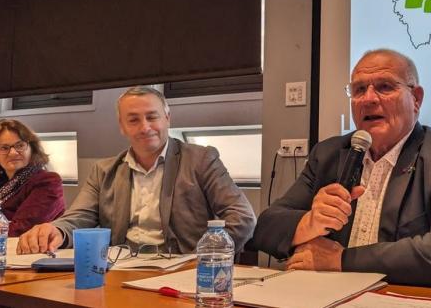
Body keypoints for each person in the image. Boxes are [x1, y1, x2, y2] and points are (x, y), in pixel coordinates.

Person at [251, 49, 431, 288]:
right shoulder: (328, 154)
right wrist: (309, 223)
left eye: (385, 87)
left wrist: (339, 260)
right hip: (333, 297)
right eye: (359, 90)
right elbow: (266, 228)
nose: (369, 99)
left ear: (416, 99)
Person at [17, 86, 256, 254]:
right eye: (133, 120)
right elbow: (79, 216)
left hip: (185, 269)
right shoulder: (104, 170)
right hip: (120, 268)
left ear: (167, 118)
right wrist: (56, 229)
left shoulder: (201, 159)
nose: (145, 127)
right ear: (122, 126)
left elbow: (242, 217)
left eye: (152, 117)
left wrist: (206, 256)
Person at [0, 119, 65, 236]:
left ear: (32, 148)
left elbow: (21, 229)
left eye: (20, 145)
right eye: (4, 148)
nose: (13, 153)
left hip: (27, 252)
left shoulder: (47, 182)